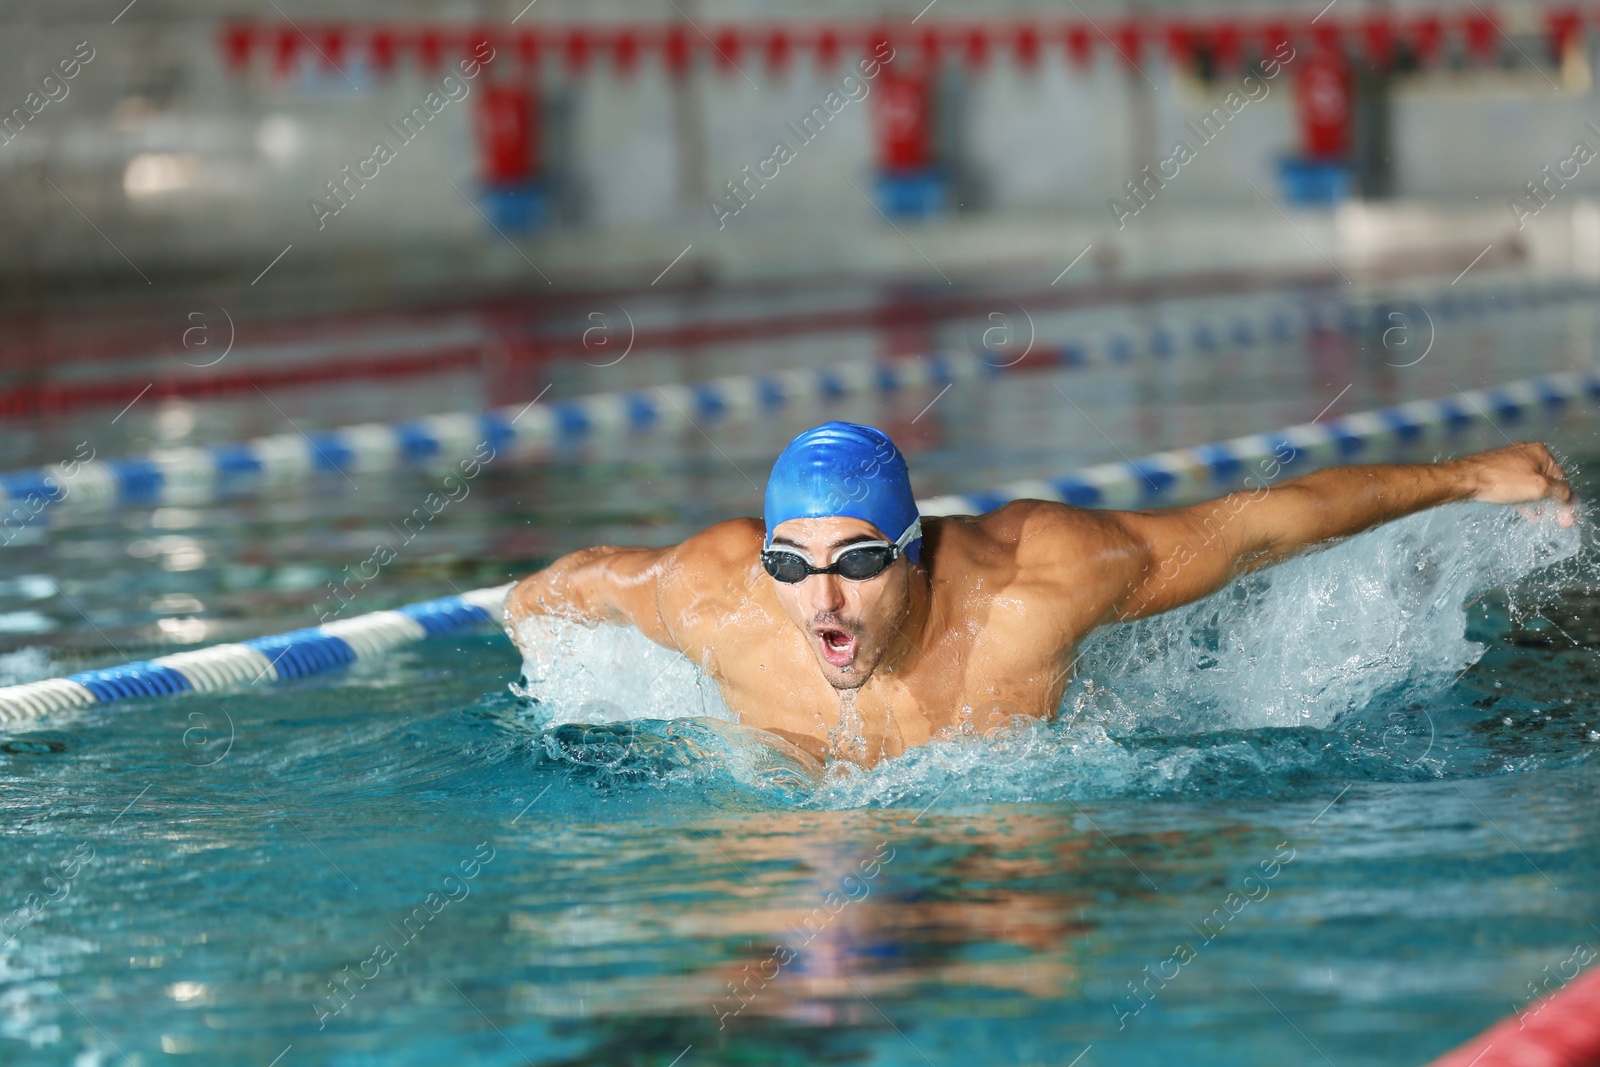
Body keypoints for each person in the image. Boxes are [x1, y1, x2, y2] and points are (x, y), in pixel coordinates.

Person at [505, 421, 1576, 765]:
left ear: (914, 550)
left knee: (1030, 950)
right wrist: (534, 630)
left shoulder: (1036, 585)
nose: (821, 598)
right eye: (792, 565)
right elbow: (570, 587)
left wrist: (1467, 476)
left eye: (857, 562)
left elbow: (1267, 523)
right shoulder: (714, 596)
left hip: (1012, 823)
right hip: (798, 815)